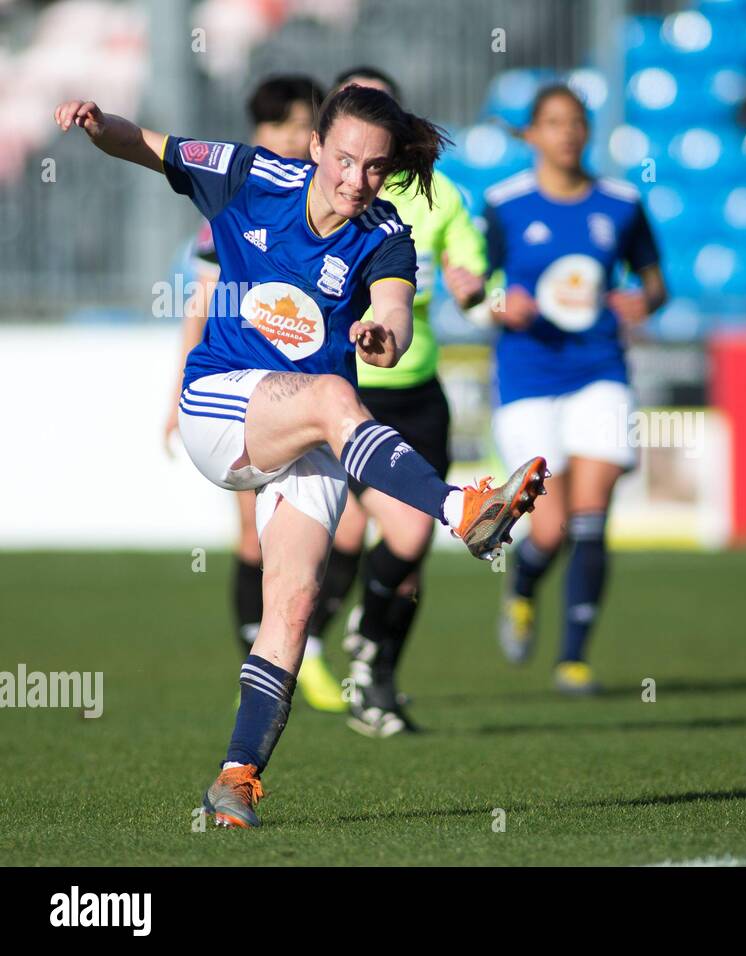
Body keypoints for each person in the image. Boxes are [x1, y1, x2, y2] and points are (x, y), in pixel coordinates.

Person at [55, 85, 548, 828]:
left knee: (292, 603)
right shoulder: (247, 174)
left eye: (375, 168)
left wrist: (385, 336)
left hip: (307, 436)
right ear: (316, 146)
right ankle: (461, 509)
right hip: (220, 406)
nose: (357, 180)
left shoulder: (387, 235)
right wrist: (98, 128)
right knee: (328, 396)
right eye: (345, 159)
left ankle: (236, 778)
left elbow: (392, 312)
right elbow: (148, 146)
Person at [305, 65, 490, 738]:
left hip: (419, 394)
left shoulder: (439, 198)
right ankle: (326, 649)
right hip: (346, 400)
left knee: (407, 559)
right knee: (395, 533)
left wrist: (473, 287)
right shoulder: (318, 194)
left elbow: (471, 275)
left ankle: (377, 679)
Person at [162, 74, 347, 713]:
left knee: (337, 539)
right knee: (251, 536)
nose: (293, 137)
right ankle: (258, 651)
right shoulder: (239, 203)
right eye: (282, 126)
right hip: (241, 389)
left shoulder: (344, 216)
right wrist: (176, 395)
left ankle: (299, 644)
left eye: (303, 125)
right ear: (260, 134)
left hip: (313, 398)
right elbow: (202, 301)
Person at [484, 84, 667, 695]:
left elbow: (655, 282)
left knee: (592, 517)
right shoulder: (504, 204)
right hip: (529, 376)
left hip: (599, 371)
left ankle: (573, 659)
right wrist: (496, 302)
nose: (567, 133)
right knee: (550, 527)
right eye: (553, 123)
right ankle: (524, 587)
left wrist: (644, 300)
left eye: (576, 122)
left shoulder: (621, 203)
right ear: (531, 134)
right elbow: (474, 287)